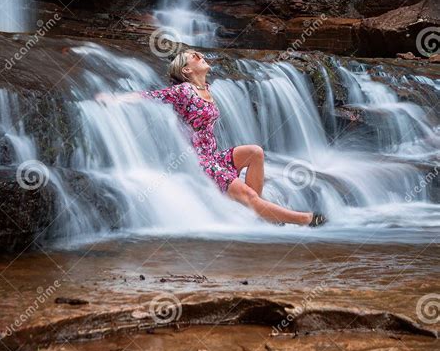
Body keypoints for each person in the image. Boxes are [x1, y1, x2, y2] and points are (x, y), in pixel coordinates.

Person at [96, 50, 327, 227]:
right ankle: (304, 219)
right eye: (192, 57)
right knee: (247, 195)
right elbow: (150, 96)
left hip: (214, 157)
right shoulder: (183, 91)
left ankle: (256, 209)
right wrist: (116, 99)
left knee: (255, 152)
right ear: (186, 71)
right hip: (200, 164)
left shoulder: (206, 88)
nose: (199, 55)